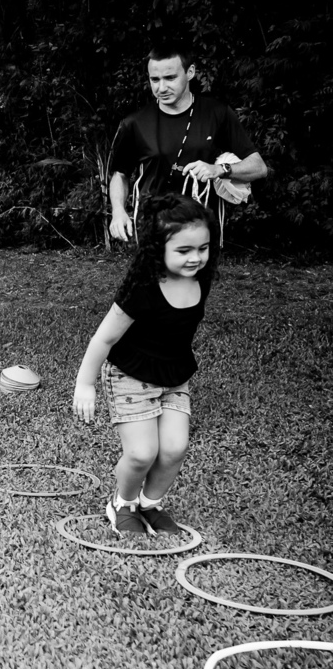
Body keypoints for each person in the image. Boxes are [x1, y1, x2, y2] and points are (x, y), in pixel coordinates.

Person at [73, 193, 218, 535]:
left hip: (174, 375)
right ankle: (122, 503)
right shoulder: (142, 289)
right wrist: (85, 384)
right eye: (183, 251)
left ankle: (150, 504)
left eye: (203, 248)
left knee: (174, 448)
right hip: (130, 375)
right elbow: (104, 338)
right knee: (141, 453)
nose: (196, 258)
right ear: (158, 249)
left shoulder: (201, 279)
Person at [109, 43, 268, 244]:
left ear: (190, 72)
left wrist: (219, 169)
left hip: (201, 232)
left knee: (197, 277)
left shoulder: (216, 114)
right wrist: (118, 211)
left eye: (170, 78)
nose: (161, 88)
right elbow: (120, 174)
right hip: (152, 230)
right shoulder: (134, 123)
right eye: (154, 80)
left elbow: (259, 167)